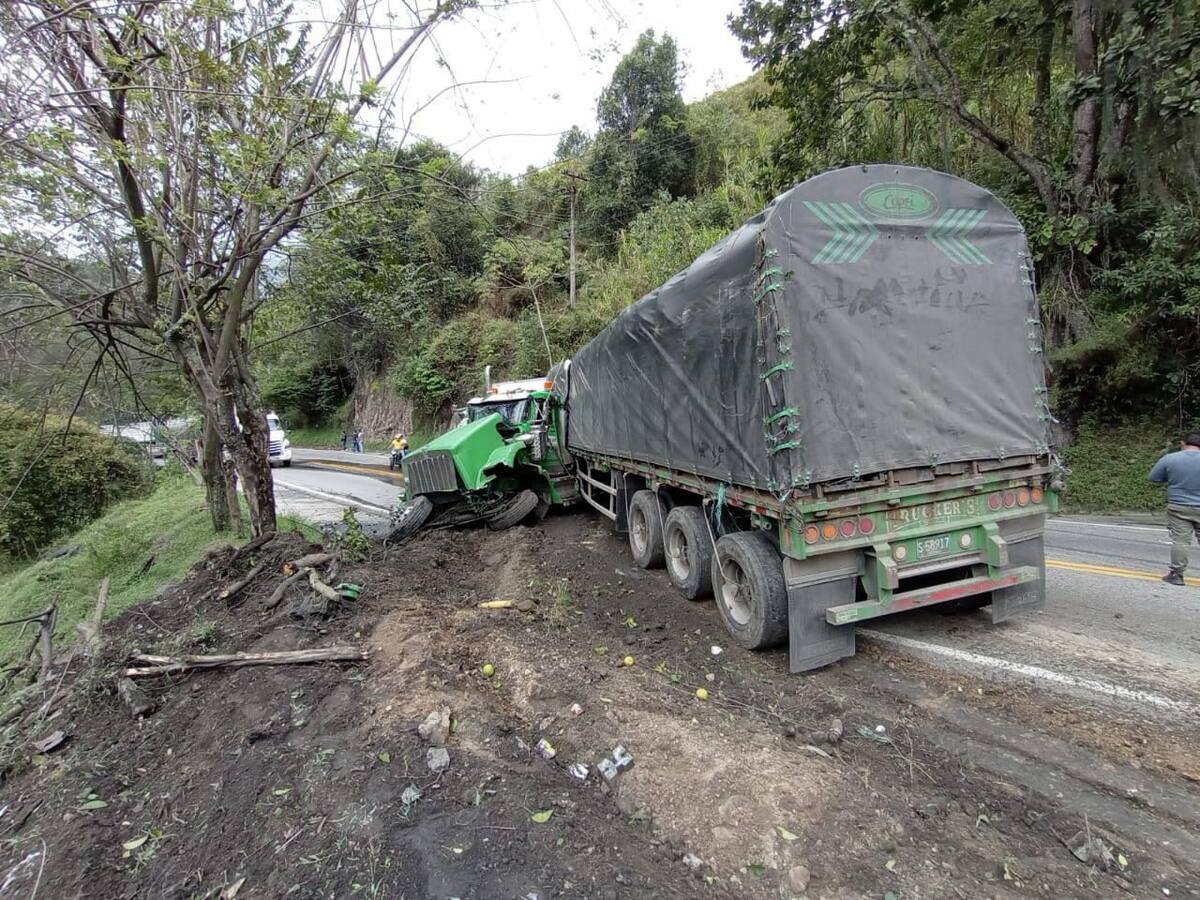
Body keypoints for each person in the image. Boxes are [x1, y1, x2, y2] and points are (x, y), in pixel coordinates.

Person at [1148, 431, 1200, 585]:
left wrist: (1171, 478)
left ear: (1183, 443)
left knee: (1180, 541)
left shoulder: (1170, 458)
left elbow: (1153, 477)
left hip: (1179, 506)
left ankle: (1177, 575)